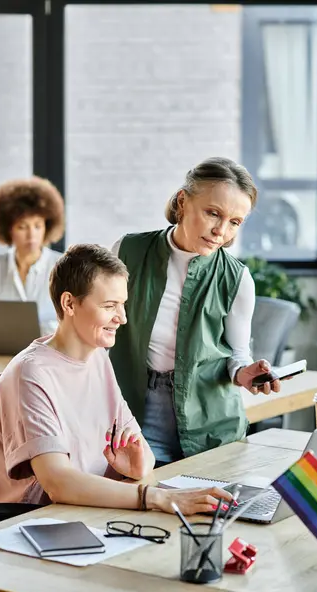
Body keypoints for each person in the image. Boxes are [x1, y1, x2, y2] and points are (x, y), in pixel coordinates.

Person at [0, 244, 233, 516]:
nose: (122, 318)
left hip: (86, 512)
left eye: (122, 305)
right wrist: (158, 498)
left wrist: (138, 467)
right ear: (69, 303)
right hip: (30, 524)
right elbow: (57, 483)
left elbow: (142, 452)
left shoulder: (98, 357)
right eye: (109, 306)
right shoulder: (30, 373)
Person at [110, 157, 282, 466]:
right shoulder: (127, 252)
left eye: (234, 222)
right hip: (134, 413)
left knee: (211, 512)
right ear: (182, 201)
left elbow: (237, 354)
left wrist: (246, 374)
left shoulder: (237, 278)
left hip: (211, 421)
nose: (221, 231)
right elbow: (96, 329)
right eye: (213, 213)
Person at [0, 176, 65, 323]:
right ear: (8, 229)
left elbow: (69, 322)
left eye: (37, 226)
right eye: (22, 227)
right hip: (2, 345)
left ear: (47, 227)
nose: (31, 235)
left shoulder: (62, 266)